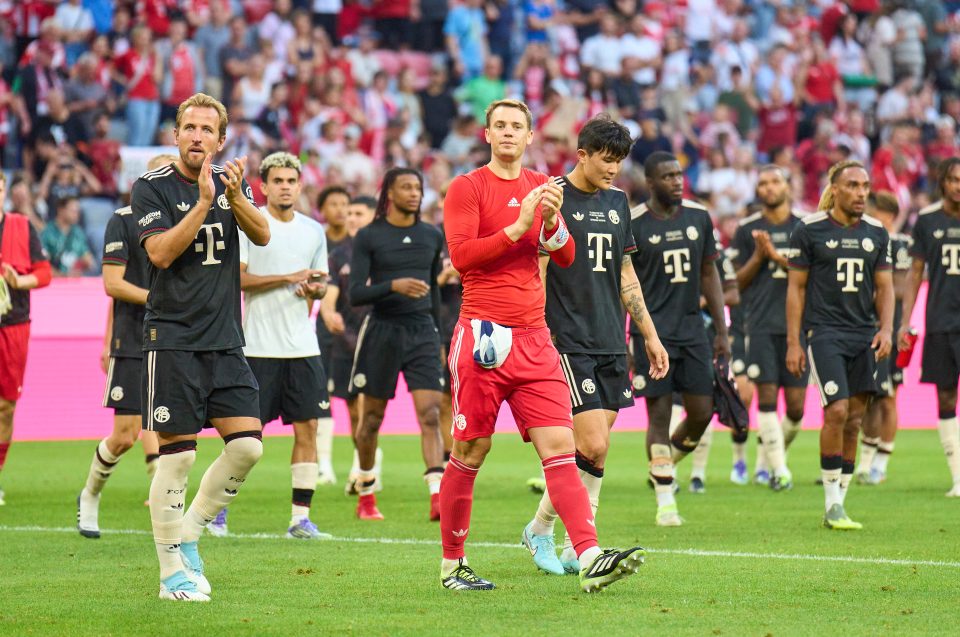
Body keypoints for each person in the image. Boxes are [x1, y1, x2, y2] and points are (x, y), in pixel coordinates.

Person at [441, 98, 645, 592]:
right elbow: (463, 257)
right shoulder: (467, 187)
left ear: (530, 137)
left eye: (518, 127)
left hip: (536, 338)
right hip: (483, 335)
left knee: (562, 448)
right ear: (487, 134)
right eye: (501, 125)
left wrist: (552, 224)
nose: (509, 133)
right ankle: (453, 565)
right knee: (471, 450)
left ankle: (590, 554)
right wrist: (517, 227)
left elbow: (568, 255)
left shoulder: (542, 187)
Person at [133, 92, 270, 601]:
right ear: (175, 135)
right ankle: (171, 575)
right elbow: (162, 255)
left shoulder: (235, 183)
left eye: (206, 130)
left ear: (220, 138)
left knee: (248, 447)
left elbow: (262, 235)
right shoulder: (151, 188)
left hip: (224, 340)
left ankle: (189, 534)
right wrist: (206, 203)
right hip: (172, 339)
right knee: (179, 458)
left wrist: (232, 196)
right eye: (188, 128)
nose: (196, 137)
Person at [521, 114, 669, 576]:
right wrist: (535, 329)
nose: (613, 169)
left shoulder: (618, 202)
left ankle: (545, 530)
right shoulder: (552, 197)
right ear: (581, 154)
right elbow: (540, 269)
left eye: (619, 161)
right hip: (567, 339)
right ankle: (581, 542)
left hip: (611, 337)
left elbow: (626, 276)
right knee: (592, 440)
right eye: (606, 160)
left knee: (597, 450)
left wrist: (649, 334)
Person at [786, 160, 893, 530]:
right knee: (837, 410)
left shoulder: (878, 232)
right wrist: (794, 342)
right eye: (852, 185)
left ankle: (840, 502)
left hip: (864, 334)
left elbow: (885, 288)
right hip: (824, 333)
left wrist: (887, 329)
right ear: (835, 188)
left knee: (855, 421)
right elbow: (796, 289)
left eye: (865, 185)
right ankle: (831, 502)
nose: (861, 192)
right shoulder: (809, 230)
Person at [629, 151, 731, 527]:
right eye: (668, 176)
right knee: (658, 413)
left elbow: (710, 275)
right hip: (652, 334)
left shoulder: (699, 217)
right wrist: (630, 337)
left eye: (679, 174)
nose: (677, 181)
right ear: (651, 183)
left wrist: (721, 330)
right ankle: (665, 501)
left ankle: (663, 465)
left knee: (703, 413)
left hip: (693, 331)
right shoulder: (634, 222)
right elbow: (623, 283)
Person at [76, 155, 174, 538]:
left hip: (176, 339)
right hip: (133, 339)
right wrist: (157, 299)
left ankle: (170, 518)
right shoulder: (125, 218)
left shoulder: (189, 220)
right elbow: (112, 285)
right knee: (125, 434)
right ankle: (90, 495)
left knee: (174, 432)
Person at [237, 151, 331, 539]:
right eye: (278, 181)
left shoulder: (313, 230)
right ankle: (219, 511)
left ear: (300, 185)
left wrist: (314, 287)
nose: (286, 187)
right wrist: (285, 277)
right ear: (264, 186)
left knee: (308, 428)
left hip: (302, 347)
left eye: (291, 181)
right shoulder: (249, 225)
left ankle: (299, 519)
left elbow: (320, 283)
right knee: (243, 437)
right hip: (257, 347)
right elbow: (238, 281)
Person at [348, 167, 445, 521]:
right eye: (406, 187)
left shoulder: (432, 236)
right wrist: (393, 286)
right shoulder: (369, 236)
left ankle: (437, 496)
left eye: (418, 187)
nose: (415, 193)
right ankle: (367, 494)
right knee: (371, 418)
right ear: (389, 192)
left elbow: (433, 291)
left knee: (431, 414)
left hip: (422, 332)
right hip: (382, 332)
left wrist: (438, 336)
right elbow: (356, 293)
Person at [731, 165, 808, 492]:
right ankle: (779, 471)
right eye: (762, 183)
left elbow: (813, 276)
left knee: (796, 407)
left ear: (787, 186)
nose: (768, 188)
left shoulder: (806, 227)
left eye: (775, 181)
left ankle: (771, 460)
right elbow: (736, 283)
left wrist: (775, 256)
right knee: (765, 397)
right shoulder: (747, 229)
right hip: (759, 324)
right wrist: (759, 257)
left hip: (799, 327)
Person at [899, 158, 960, 497]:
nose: (959, 186)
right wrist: (905, 321)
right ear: (943, 183)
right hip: (940, 321)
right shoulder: (926, 220)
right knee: (946, 395)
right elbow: (914, 273)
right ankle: (958, 477)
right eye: (953, 179)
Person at [318, 195, 378, 494]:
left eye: (358, 212)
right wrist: (329, 313)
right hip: (344, 341)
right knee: (354, 411)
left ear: (372, 216)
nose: (351, 217)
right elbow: (329, 298)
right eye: (349, 212)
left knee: (367, 409)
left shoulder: (383, 251)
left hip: (375, 338)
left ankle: (361, 471)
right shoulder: (339, 255)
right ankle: (366, 461)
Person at [0, 172, 53, 506]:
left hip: (14, 325)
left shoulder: (21, 227)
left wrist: (19, 282)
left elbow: (45, 273)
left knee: (6, 406)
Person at [857, 191, 911, 485]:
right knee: (867, 398)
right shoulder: (865, 241)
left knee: (887, 397)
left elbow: (901, 287)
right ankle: (863, 463)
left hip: (891, 329)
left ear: (887, 215)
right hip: (863, 328)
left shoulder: (901, 244)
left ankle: (880, 463)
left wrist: (876, 293)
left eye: (872, 211)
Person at [314, 185, 351, 486]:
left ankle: (362, 465)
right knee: (321, 396)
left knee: (359, 398)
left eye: (344, 204)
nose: (340, 209)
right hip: (321, 330)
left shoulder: (359, 244)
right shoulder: (316, 240)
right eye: (334, 203)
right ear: (322, 209)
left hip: (356, 329)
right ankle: (324, 463)